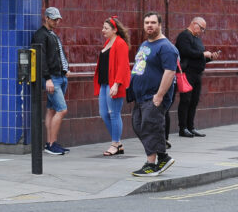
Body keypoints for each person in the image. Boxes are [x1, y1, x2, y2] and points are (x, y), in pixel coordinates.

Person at [129, 12, 179, 177]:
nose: (149, 25)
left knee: (150, 127)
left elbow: (170, 72)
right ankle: (163, 157)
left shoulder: (166, 47)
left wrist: (159, 95)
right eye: (146, 23)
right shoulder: (144, 44)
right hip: (140, 97)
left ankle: (151, 164)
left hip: (154, 97)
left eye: (152, 22)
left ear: (160, 25)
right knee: (138, 126)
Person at [32, 6, 70, 155]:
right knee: (62, 109)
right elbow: (41, 58)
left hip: (59, 76)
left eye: (58, 19)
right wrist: (47, 79)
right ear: (46, 18)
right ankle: (51, 144)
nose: (56, 22)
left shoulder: (51, 34)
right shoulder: (41, 35)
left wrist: (65, 70)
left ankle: (50, 142)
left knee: (51, 109)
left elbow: (58, 55)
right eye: (54, 19)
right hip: (52, 78)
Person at [175, 17, 220, 137]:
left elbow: (199, 58)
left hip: (197, 74)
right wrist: (202, 54)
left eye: (203, 29)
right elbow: (186, 52)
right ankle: (183, 128)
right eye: (201, 28)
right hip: (187, 73)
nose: (202, 31)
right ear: (194, 24)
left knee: (194, 101)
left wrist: (210, 57)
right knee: (186, 100)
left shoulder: (197, 39)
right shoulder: (184, 36)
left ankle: (191, 127)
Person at [94, 16, 131, 156]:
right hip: (104, 83)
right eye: (103, 27)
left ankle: (115, 143)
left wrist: (116, 84)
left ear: (115, 30)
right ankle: (118, 143)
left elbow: (123, 66)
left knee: (114, 113)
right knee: (104, 113)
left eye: (106, 28)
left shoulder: (120, 43)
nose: (103, 30)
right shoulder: (108, 42)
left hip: (114, 84)